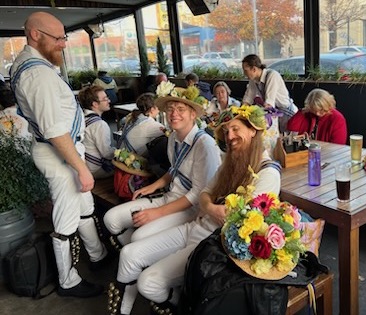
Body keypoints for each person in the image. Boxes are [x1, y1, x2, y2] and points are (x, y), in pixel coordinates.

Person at [106, 104, 281, 315]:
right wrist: (211, 208)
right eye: (226, 132)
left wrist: (210, 208)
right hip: (196, 225)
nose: (230, 136)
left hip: (214, 245)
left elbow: (242, 223)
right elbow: (204, 194)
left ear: (253, 130)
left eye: (235, 129)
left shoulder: (267, 173)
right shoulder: (232, 162)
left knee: (148, 283)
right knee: (128, 253)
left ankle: (180, 304)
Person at [10, 12, 108, 298]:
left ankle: (98, 254)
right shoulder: (36, 74)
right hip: (60, 155)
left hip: (64, 153)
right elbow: (54, 130)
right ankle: (68, 281)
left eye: (64, 38)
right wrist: (82, 168)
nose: (63, 44)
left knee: (84, 207)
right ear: (35, 35)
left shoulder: (33, 65)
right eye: (58, 38)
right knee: (66, 221)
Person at [103, 82, 221, 248]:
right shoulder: (172, 137)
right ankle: (132, 250)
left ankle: (138, 253)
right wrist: (153, 186)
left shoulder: (205, 144)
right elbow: (174, 170)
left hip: (191, 209)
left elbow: (199, 194)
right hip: (168, 195)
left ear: (193, 114)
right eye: (170, 109)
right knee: (110, 218)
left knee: (138, 237)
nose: (173, 114)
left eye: (181, 109)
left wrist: (156, 213)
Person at [242, 54, 298, 133]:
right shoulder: (253, 80)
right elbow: (247, 100)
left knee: (286, 142)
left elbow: (269, 105)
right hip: (275, 115)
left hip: (287, 114)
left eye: (245, 70)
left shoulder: (272, 75)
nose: (244, 73)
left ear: (254, 69)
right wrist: (241, 113)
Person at [78, 85, 115, 179]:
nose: (109, 101)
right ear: (95, 104)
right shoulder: (100, 124)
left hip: (82, 166)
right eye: (105, 99)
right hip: (96, 170)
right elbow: (107, 153)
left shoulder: (81, 118)